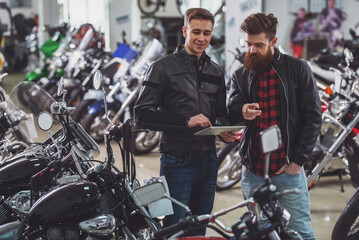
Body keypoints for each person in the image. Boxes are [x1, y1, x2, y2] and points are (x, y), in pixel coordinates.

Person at [134, 8, 236, 235]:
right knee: (175, 230)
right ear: (184, 30)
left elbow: (220, 113)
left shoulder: (215, 70)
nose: (202, 38)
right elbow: (142, 114)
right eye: (196, 32)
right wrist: (185, 120)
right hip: (177, 163)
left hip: (209, 162)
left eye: (207, 33)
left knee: (199, 229)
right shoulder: (161, 68)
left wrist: (222, 130)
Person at [228, 13, 321, 240]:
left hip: (287, 169)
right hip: (253, 171)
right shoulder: (240, 75)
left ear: (273, 42)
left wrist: (297, 161)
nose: (251, 51)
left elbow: (313, 117)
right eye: (248, 44)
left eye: (259, 45)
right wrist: (241, 111)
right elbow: (231, 106)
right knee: (261, 234)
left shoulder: (298, 69)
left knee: (301, 233)